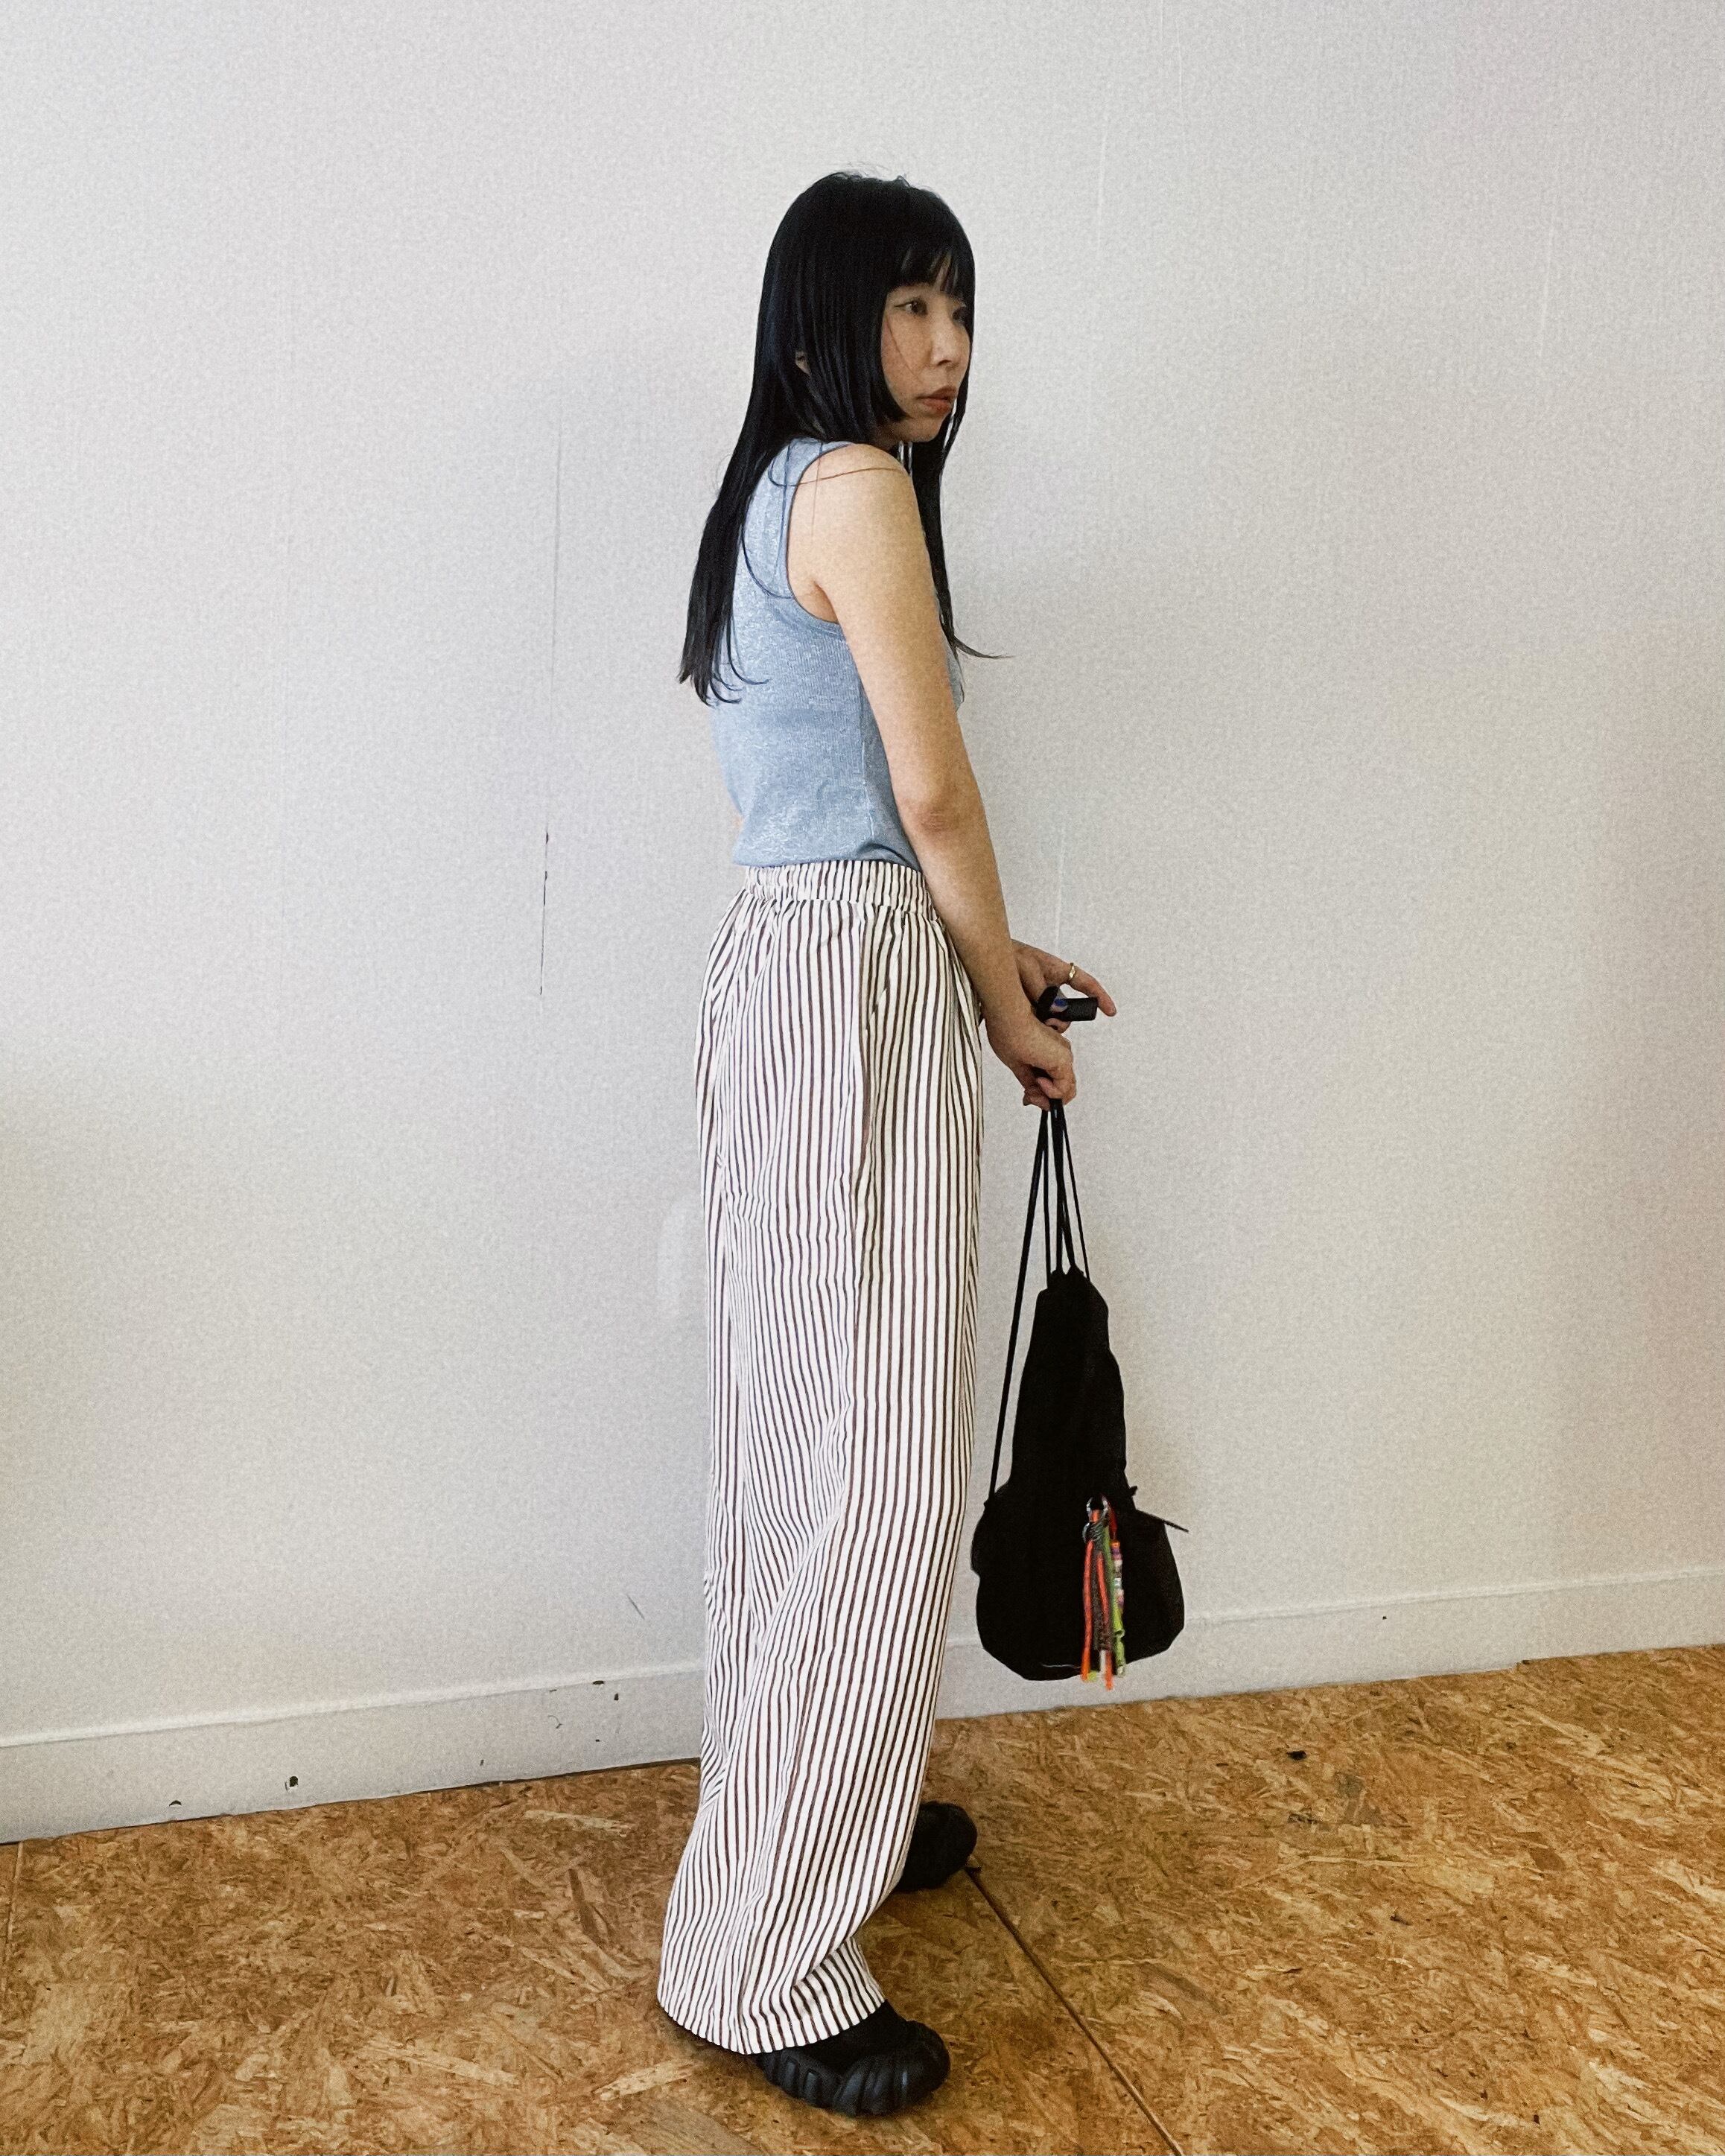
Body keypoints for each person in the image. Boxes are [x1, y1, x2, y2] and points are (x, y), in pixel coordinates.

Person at [655, 168, 1117, 2119]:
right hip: (848, 986)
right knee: (882, 1463)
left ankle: (810, 1810)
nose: (942, 349)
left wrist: (989, 957)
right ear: (821, 322)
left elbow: (844, 811)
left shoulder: (777, 492)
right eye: (907, 307)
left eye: (957, 309)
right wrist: (1005, 1014)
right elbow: (929, 797)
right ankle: (758, 1951)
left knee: (807, 1447)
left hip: (802, 966)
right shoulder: (854, 485)